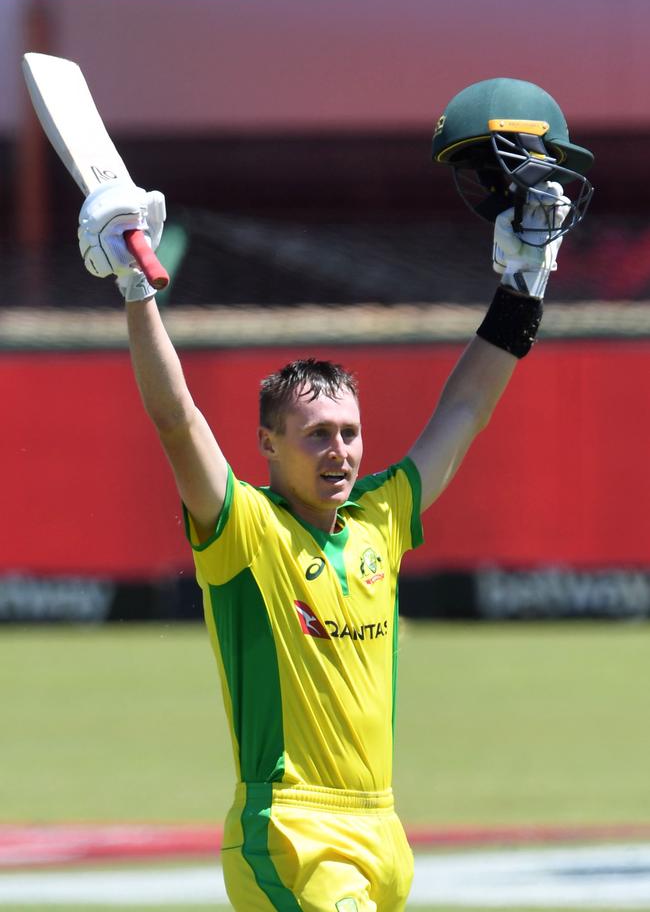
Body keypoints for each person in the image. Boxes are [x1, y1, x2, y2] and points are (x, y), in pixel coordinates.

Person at [77, 77, 593, 912]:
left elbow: (465, 406)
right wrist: (136, 291)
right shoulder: (244, 531)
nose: (340, 452)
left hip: (385, 836)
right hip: (293, 836)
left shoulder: (381, 519)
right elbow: (177, 421)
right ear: (268, 446)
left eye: (349, 433)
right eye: (317, 435)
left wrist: (523, 292)